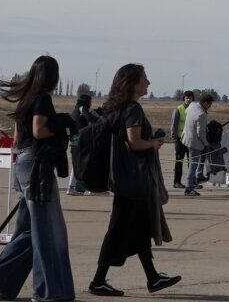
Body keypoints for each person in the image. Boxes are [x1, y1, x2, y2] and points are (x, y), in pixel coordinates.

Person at [0, 55, 76, 302]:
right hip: (35, 168)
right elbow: (38, 130)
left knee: (29, 232)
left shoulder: (26, 99)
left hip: (22, 163)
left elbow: (18, 135)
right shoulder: (42, 98)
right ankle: (47, 292)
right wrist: (62, 122)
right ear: (52, 76)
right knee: (48, 233)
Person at [88, 64, 180, 297]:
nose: (148, 83)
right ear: (133, 83)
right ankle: (98, 282)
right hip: (133, 181)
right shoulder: (133, 109)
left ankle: (153, 277)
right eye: (145, 79)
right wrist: (154, 143)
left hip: (124, 179)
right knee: (117, 231)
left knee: (139, 230)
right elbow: (135, 142)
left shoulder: (117, 108)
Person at [182, 93, 213, 197]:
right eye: (209, 105)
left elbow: (187, 112)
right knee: (193, 166)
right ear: (205, 103)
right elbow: (200, 133)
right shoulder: (202, 114)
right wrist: (207, 145)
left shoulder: (192, 105)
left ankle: (190, 186)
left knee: (192, 165)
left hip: (187, 138)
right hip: (194, 143)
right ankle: (189, 188)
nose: (210, 107)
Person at [68, 93, 99, 195]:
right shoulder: (82, 108)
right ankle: (90, 188)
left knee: (76, 163)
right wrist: (99, 119)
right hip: (81, 138)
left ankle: (71, 187)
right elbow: (89, 118)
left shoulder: (74, 111)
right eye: (89, 102)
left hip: (73, 138)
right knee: (87, 163)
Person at [170, 91, 195, 190]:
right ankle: (177, 182)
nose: (188, 99)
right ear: (184, 99)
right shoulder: (178, 110)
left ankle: (192, 182)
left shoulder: (194, 110)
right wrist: (175, 139)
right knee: (179, 162)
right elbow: (174, 126)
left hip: (191, 140)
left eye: (190, 98)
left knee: (192, 162)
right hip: (180, 140)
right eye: (187, 98)